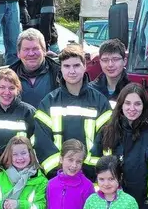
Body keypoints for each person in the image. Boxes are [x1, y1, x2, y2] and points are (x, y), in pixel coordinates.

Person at [35, 45, 112, 177]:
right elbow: (43, 143)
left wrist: (85, 170)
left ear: (85, 66)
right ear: (61, 68)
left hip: (91, 179)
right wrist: (60, 172)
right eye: (67, 66)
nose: (72, 71)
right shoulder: (48, 103)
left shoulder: (100, 102)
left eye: (76, 65)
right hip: (58, 178)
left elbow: (105, 141)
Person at [12, 29, 63, 108]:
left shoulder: (60, 74)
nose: (31, 53)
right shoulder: (8, 77)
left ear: (44, 51)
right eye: (26, 49)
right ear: (18, 53)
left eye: (35, 49)